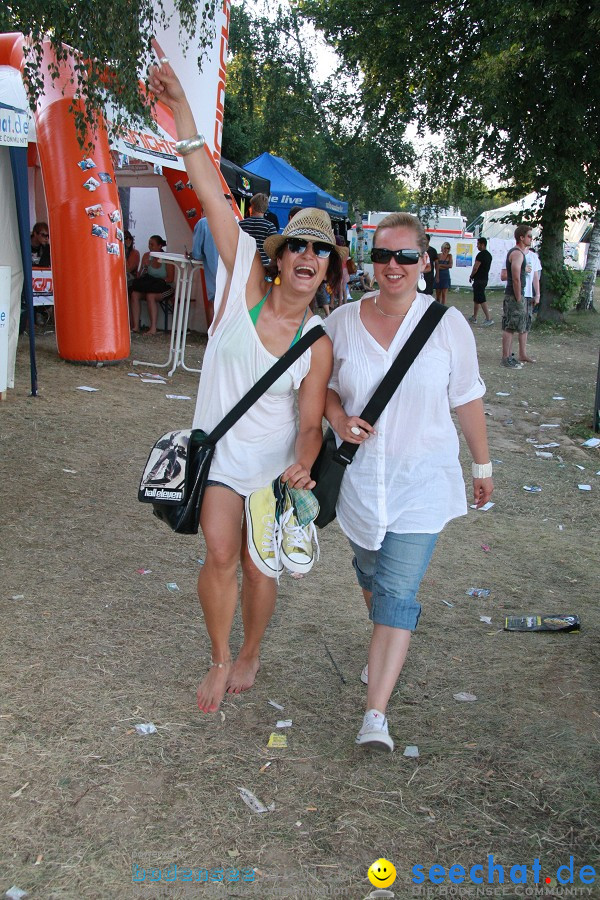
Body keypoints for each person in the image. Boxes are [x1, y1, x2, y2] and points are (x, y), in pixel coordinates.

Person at [149, 57, 344, 714]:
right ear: (281, 256)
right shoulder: (240, 288)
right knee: (219, 554)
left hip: (268, 467)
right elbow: (208, 189)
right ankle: (219, 655)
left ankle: (253, 649)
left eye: (320, 255)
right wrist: (180, 109)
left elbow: (312, 421)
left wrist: (303, 465)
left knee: (261, 569)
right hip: (218, 456)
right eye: (298, 249)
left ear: (326, 273)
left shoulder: (317, 344)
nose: (308, 260)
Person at [324, 212, 493, 752]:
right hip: (359, 484)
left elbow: (466, 396)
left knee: (397, 593)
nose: (391, 266)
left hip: (422, 480)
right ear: (369, 260)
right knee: (372, 576)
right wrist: (337, 420)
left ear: (425, 260)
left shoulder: (448, 326)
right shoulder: (342, 321)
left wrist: (482, 465)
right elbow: (321, 389)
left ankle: (375, 714)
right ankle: (384, 630)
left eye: (403, 256)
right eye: (381, 255)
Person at [501, 224, 533, 368]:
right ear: (521, 237)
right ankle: (506, 358)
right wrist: (519, 296)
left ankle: (508, 356)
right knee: (510, 327)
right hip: (513, 295)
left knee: (511, 326)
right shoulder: (517, 254)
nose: (531, 239)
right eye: (529, 236)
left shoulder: (518, 253)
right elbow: (515, 278)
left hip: (513, 295)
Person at [129, 235, 175, 334]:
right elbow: (139, 276)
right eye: (149, 244)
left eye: (152, 245)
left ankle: (153, 328)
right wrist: (145, 267)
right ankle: (136, 326)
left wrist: (158, 281)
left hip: (163, 288)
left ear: (159, 246)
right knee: (134, 294)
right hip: (150, 286)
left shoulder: (167, 259)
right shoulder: (147, 256)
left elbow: (170, 279)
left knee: (150, 296)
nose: (150, 246)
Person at [192, 213, 220, 327]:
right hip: (232, 270)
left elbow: (196, 253)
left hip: (214, 269)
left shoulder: (203, 223)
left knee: (213, 303)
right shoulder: (234, 222)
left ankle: (212, 337)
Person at [238, 192, 277, 267]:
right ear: (266, 207)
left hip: (243, 265)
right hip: (262, 265)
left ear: (252, 206)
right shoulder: (269, 226)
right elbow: (274, 249)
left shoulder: (241, 224)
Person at [468, 237, 494, 325]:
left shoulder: (480, 255)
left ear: (482, 244)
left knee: (481, 299)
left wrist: (471, 276)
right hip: (484, 278)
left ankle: (489, 318)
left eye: (478, 244)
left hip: (479, 279)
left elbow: (476, 267)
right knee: (477, 298)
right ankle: (474, 317)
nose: (477, 246)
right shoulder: (489, 255)